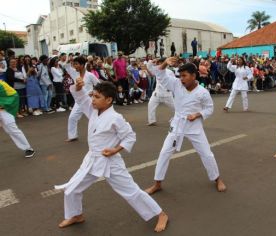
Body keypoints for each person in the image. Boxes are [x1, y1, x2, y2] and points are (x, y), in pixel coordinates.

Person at [55, 81, 168, 232]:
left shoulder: (116, 118)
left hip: (110, 161)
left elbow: (129, 136)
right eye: (93, 96)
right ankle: (76, 215)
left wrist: (116, 150)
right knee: (72, 188)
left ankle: (161, 214)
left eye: (97, 97)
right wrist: (79, 87)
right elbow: (81, 98)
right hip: (92, 159)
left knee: (131, 191)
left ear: (108, 100)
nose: (93, 100)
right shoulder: (92, 110)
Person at [145, 57, 226, 195]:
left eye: (184, 76)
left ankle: (217, 179)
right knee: (164, 153)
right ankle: (157, 183)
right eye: (180, 76)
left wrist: (197, 114)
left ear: (194, 76)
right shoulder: (176, 84)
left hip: (194, 127)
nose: (181, 79)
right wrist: (165, 63)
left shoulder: (203, 92)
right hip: (177, 124)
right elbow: (159, 74)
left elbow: (209, 109)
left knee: (207, 154)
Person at [66, 56, 100, 142]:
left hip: (89, 101)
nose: (75, 66)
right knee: (72, 117)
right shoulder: (75, 74)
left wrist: (94, 92)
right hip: (79, 101)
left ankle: (101, 134)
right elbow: (67, 67)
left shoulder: (90, 75)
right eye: (74, 64)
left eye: (76, 64)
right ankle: (72, 136)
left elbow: (99, 85)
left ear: (82, 65)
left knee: (94, 118)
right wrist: (69, 60)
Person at [0, 80, 35, 158]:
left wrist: (4, 104)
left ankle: (28, 148)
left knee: (12, 130)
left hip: (5, 110)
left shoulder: (1, 85)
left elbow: (14, 95)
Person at [146, 58, 175, 126]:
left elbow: (173, 82)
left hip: (167, 94)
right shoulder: (157, 69)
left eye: (161, 62)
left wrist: (172, 91)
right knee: (150, 105)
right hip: (157, 93)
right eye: (159, 63)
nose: (159, 64)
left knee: (176, 109)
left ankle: (174, 120)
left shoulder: (170, 72)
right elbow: (149, 67)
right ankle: (152, 121)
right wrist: (152, 61)